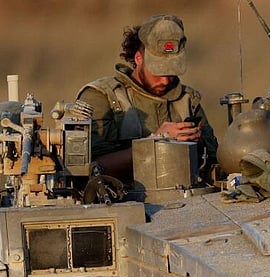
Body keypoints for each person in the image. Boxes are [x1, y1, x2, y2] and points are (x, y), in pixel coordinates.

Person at [77, 14, 218, 184]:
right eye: (158, 71)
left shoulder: (187, 100)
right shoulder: (103, 97)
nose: (165, 81)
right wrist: (156, 143)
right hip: (124, 202)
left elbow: (214, 163)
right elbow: (89, 170)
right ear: (138, 58)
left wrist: (197, 142)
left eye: (171, 71)